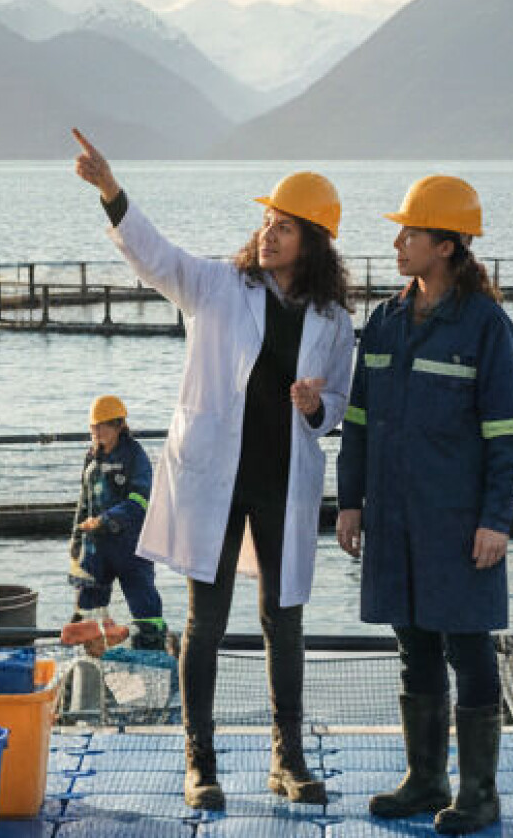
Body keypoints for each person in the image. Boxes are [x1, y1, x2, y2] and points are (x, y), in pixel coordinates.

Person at [71, 128, 355, 811]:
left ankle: (288, 759)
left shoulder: (334, 320)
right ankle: (201, 760)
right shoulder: (219, 286)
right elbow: (155, 257)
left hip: (282, 485)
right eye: (265, 222)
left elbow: (340, 404)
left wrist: (319, 405)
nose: (267, 234)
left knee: (284, 622)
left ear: (313, 241)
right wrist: (112, 193)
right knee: (206, 621)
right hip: (214, 486)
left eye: (283, 227)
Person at [337, 175, 513, 836]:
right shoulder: (386, 321)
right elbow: (358, 420)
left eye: (410, 233)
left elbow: (507, 431)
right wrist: (351, 502)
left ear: (446, 247)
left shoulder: (486, 327)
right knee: (413, 646)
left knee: (469, 651)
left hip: (458, 524)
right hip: (393, 520)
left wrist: (496, 520)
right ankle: (426, 780)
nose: (397, 242)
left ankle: (479, 793)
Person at [70, 395, 168, 650]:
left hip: (131, 548)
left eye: (102, 426)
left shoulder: (136, 457)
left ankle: (152, 655)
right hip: (95, 550)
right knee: (88, 611)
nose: (96, 432)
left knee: (146, 610)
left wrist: (107, 519)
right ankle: (93, 664)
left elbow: (140, 500)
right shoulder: (91, 457)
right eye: (93, 427)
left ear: (118, 425)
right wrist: (76, 541)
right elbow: (83, 502)